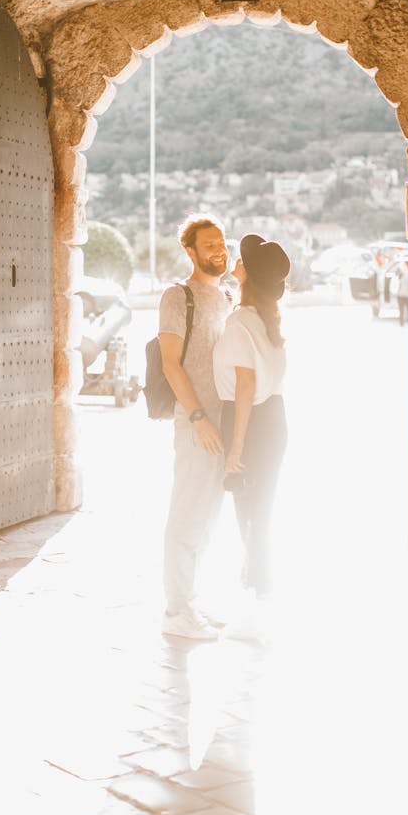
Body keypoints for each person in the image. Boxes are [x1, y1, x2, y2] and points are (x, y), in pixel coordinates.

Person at [213, 233, 290, 638]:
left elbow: (244, 386)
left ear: (248, 276)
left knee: (249, 508)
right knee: (260, 507)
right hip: (274, 419)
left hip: (250, 420)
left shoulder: (242, 320)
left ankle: (260, 587)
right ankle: (258, 580)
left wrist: (236, 447)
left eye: (242, 261)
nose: (235, 263)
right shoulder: (265, 318)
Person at [159, 214, 231, 640]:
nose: (219, 250)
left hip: (224, 425)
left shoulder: (224, 297)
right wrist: (199, 418)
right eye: (209, 245)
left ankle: (192, 600)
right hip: (196, 424)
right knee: (187, 515)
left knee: (207, 518)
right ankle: (175, 610)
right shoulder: (177, 297)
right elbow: (171, 364)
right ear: (190, 251)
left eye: (222, 242)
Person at [397, 258, 408, 325]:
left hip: (402, 294)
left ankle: (402, 322)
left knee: (402, 310)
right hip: (406, 295)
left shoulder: (405, 273)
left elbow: (398, 284)